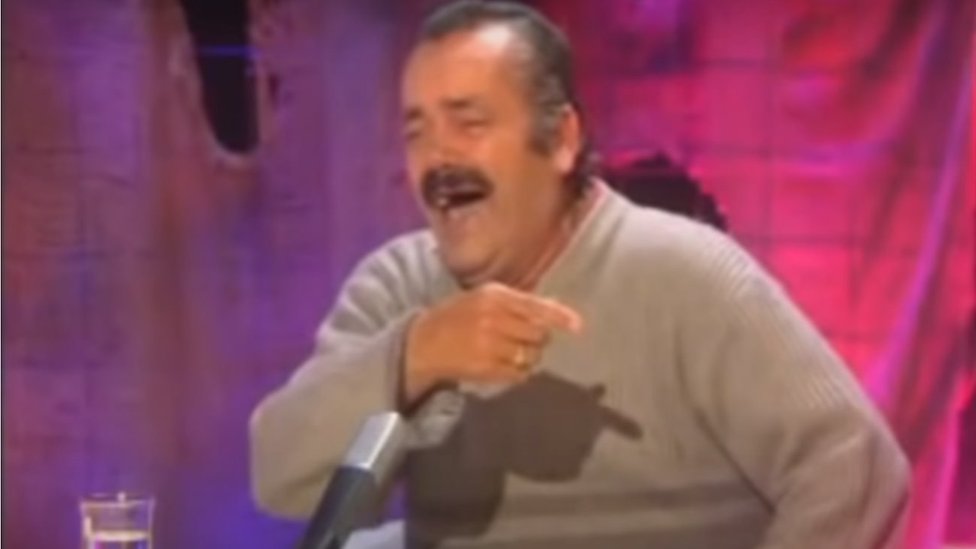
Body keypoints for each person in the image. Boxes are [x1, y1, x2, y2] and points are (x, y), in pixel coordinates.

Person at [249, 1, 911, 547]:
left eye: (469, 123)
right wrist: (417, 353)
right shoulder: (399, 286)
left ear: (562, 139)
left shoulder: (683, 274)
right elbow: (279, 474)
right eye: (417, 131)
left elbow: (853, 466)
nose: (438, 158)